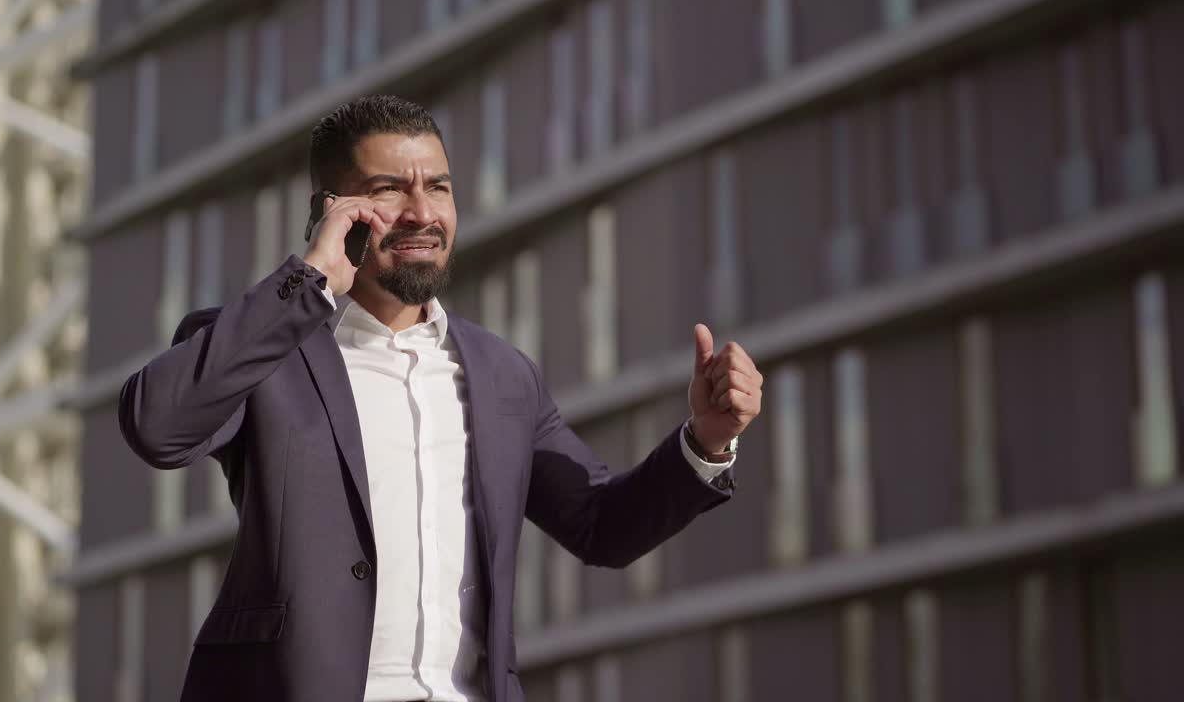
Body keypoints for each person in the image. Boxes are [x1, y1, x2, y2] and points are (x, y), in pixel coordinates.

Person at [118, 94, 763, 702]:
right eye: (390, 190)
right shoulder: (262, 344)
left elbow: (603, 527)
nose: (423, 213)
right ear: (332, 210)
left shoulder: (502, 375)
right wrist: (308, 280)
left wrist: (705, 442)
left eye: (440, 188)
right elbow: (157, 426)